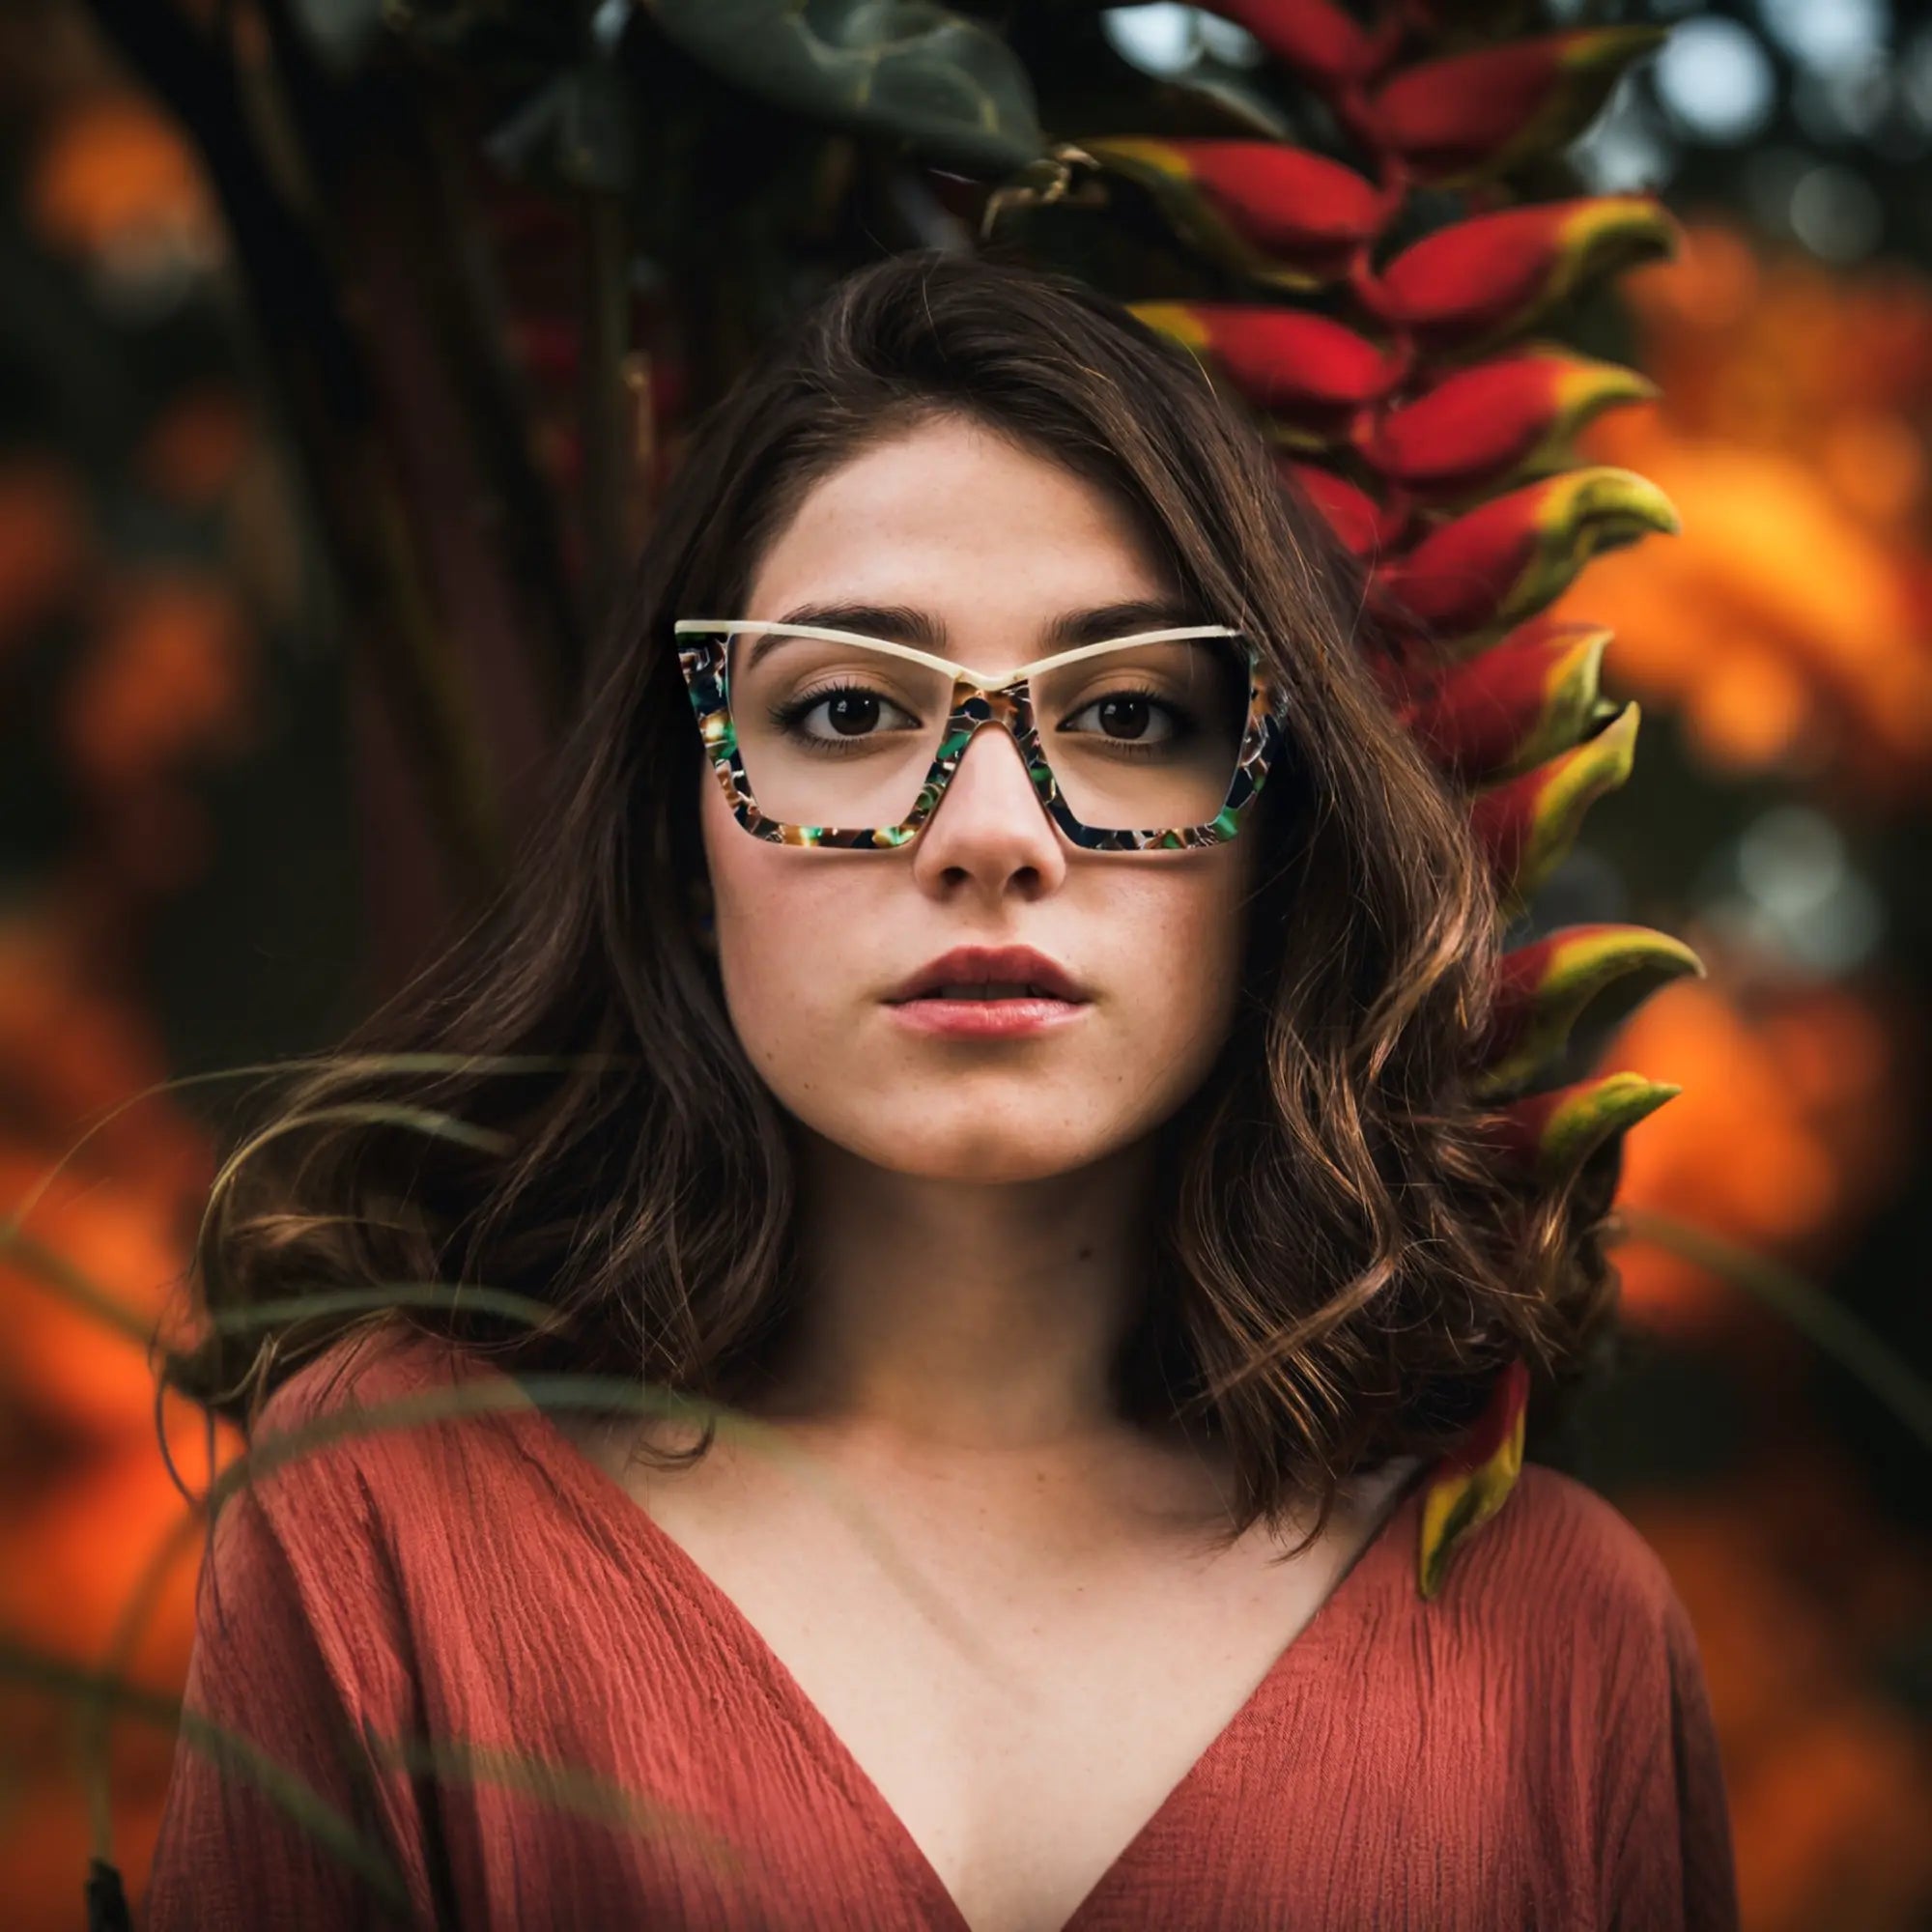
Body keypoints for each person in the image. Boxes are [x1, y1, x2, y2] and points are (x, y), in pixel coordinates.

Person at [144, 250, 1738, 1931]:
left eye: (1128, 711)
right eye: (846, 709)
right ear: (686, 839)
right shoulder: (393, 1513)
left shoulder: (1555, 1634)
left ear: (1273, 839)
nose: (991, 833)